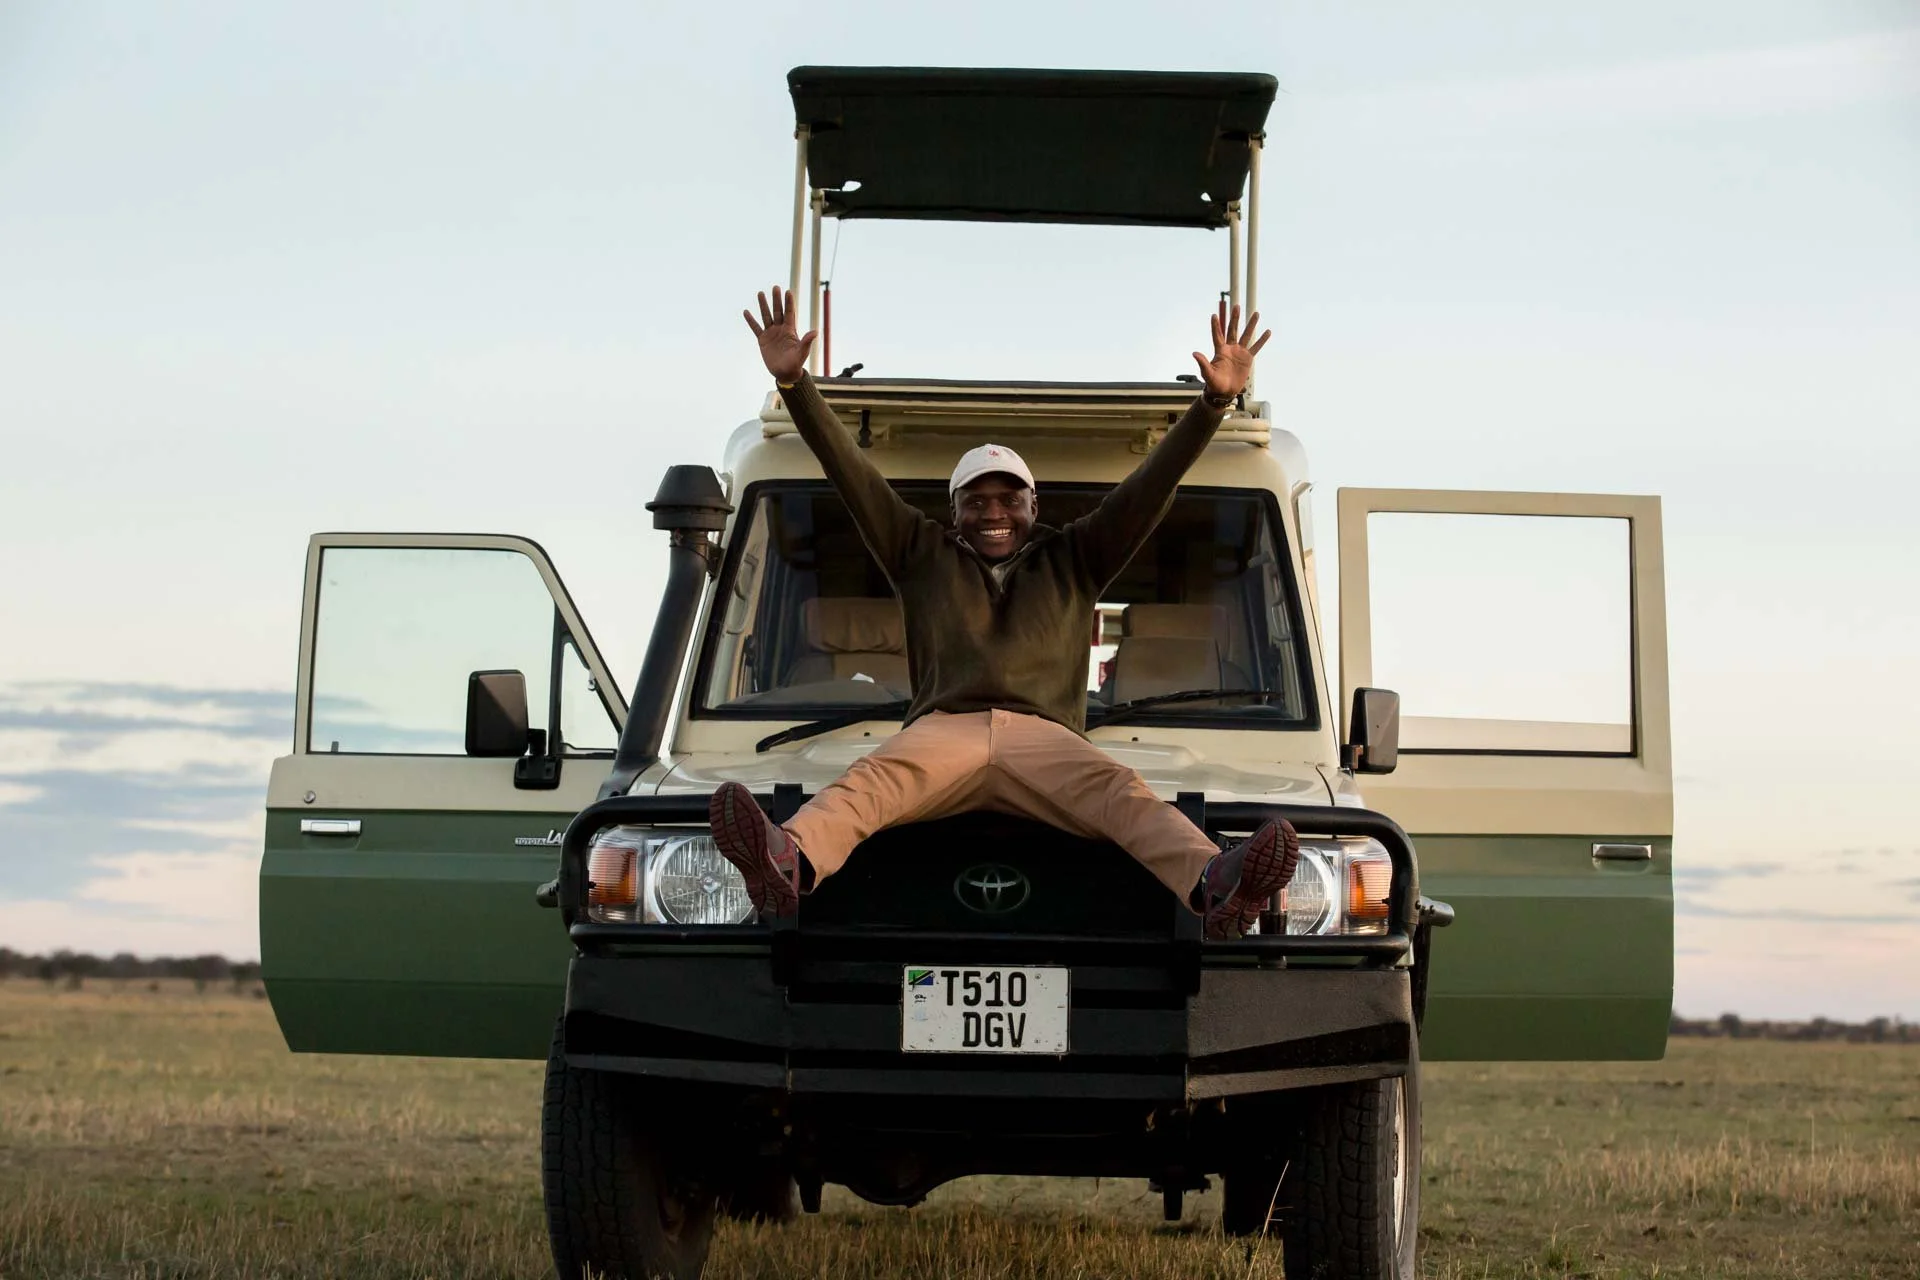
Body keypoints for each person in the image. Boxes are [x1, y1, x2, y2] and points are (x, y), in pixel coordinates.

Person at [708, 286, 1298, 940]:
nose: (994, 512)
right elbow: (854, 476)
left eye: (1008, 499)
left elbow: (1148, 489)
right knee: (871, 779)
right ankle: (784, 862)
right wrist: (796, 386)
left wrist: (1214, 404)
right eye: (976, 500)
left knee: (1124, 795)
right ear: (954, 511)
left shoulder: (1077, 557)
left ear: (1032, 505)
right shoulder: (919, 553)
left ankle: (1219, 885)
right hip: (947, 732)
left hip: (1045, 738)